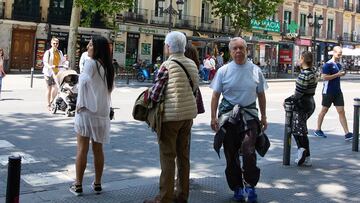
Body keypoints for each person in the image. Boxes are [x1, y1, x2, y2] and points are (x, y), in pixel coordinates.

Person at [210, 37, 268, 203]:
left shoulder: (256, 70)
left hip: (249, 117)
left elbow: (261, 95)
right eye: (234, 48)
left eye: (241, 48)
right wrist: (213, 117)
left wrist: (263, 116)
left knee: (249, 151)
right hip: (228, 118)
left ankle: (250, 186)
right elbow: (215, 95)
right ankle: (237, 187)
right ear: (230, 51)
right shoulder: (223, 71)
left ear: (246, 50)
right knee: (230, 153)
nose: (238, 51)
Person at [144, 31, 199, 203]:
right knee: (183, 157)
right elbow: (195, 89)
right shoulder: (192, 64)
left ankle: (164, 197)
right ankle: (182, 195)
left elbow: (155, 94)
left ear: (168, 47)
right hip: (188, 116)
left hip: (171, 117)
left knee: (168, 157)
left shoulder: (166, 66)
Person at [70, 36, 115, 196]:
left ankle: (78, 184)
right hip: (102, 113)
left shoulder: (90, 64)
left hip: (87, 111)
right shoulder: (109, 67)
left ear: (96, 49)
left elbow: (81, 86)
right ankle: (97, 183)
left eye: (90, 45)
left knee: (82, 149)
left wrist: (78, 106)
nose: (87, 47)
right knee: (98, 150)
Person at [284, 51, 318, 166]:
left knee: (297, 130)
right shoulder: (312, 72)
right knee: (300, 129)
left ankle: (302, 151)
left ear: (303, 59)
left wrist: (288, 100)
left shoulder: (305, 74)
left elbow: (299, 93)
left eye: (299, 58)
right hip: (309, 103)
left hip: (302, 105)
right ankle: (305, 155)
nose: (298, 60)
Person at [314, 46, 353, 140]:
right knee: (324, 110)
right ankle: (318, 130)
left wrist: (341, 74)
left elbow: (337, 76)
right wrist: (338, 75)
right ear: (334, 53)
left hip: (337, 91)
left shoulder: (338, 65)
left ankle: (347, 133)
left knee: (341, 111)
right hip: (328, 91)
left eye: (341, 54)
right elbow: (324, 77)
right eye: (339, 54)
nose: (340, 56)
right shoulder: (327, 65)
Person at [42, 37, 65, 111]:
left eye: (57, 43)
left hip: (57, 72)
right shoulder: (48, 52)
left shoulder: (60, 52)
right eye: (54, 43)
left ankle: (52, 102)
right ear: (51, 44)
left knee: (56, 88)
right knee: (49, 88)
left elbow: (62, 61)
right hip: (48, 73)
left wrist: (65, 65)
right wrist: (50, 66)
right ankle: (48, 104)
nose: (55, 45)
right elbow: (45, 62)